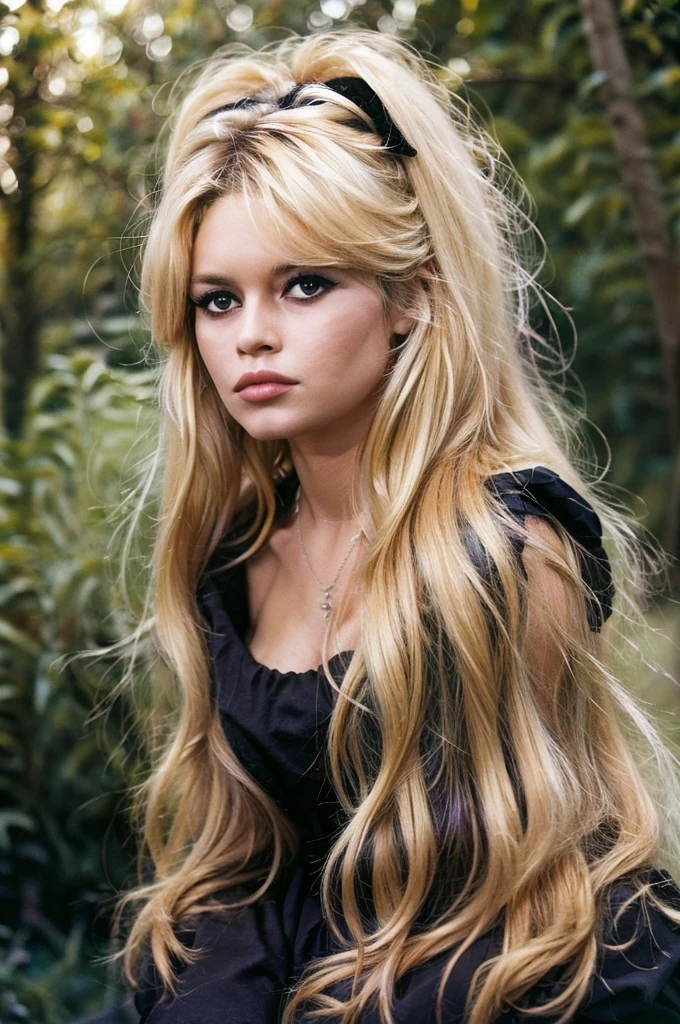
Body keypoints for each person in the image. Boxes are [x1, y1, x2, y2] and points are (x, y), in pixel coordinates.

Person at [112, 26, 680, 1024]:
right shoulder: (232, 560)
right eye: (215, 299)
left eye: (303, 284)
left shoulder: (503, 552)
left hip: (475, 949)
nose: (249, 335)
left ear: (409, 294)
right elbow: (241, 859)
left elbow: (507, 881)